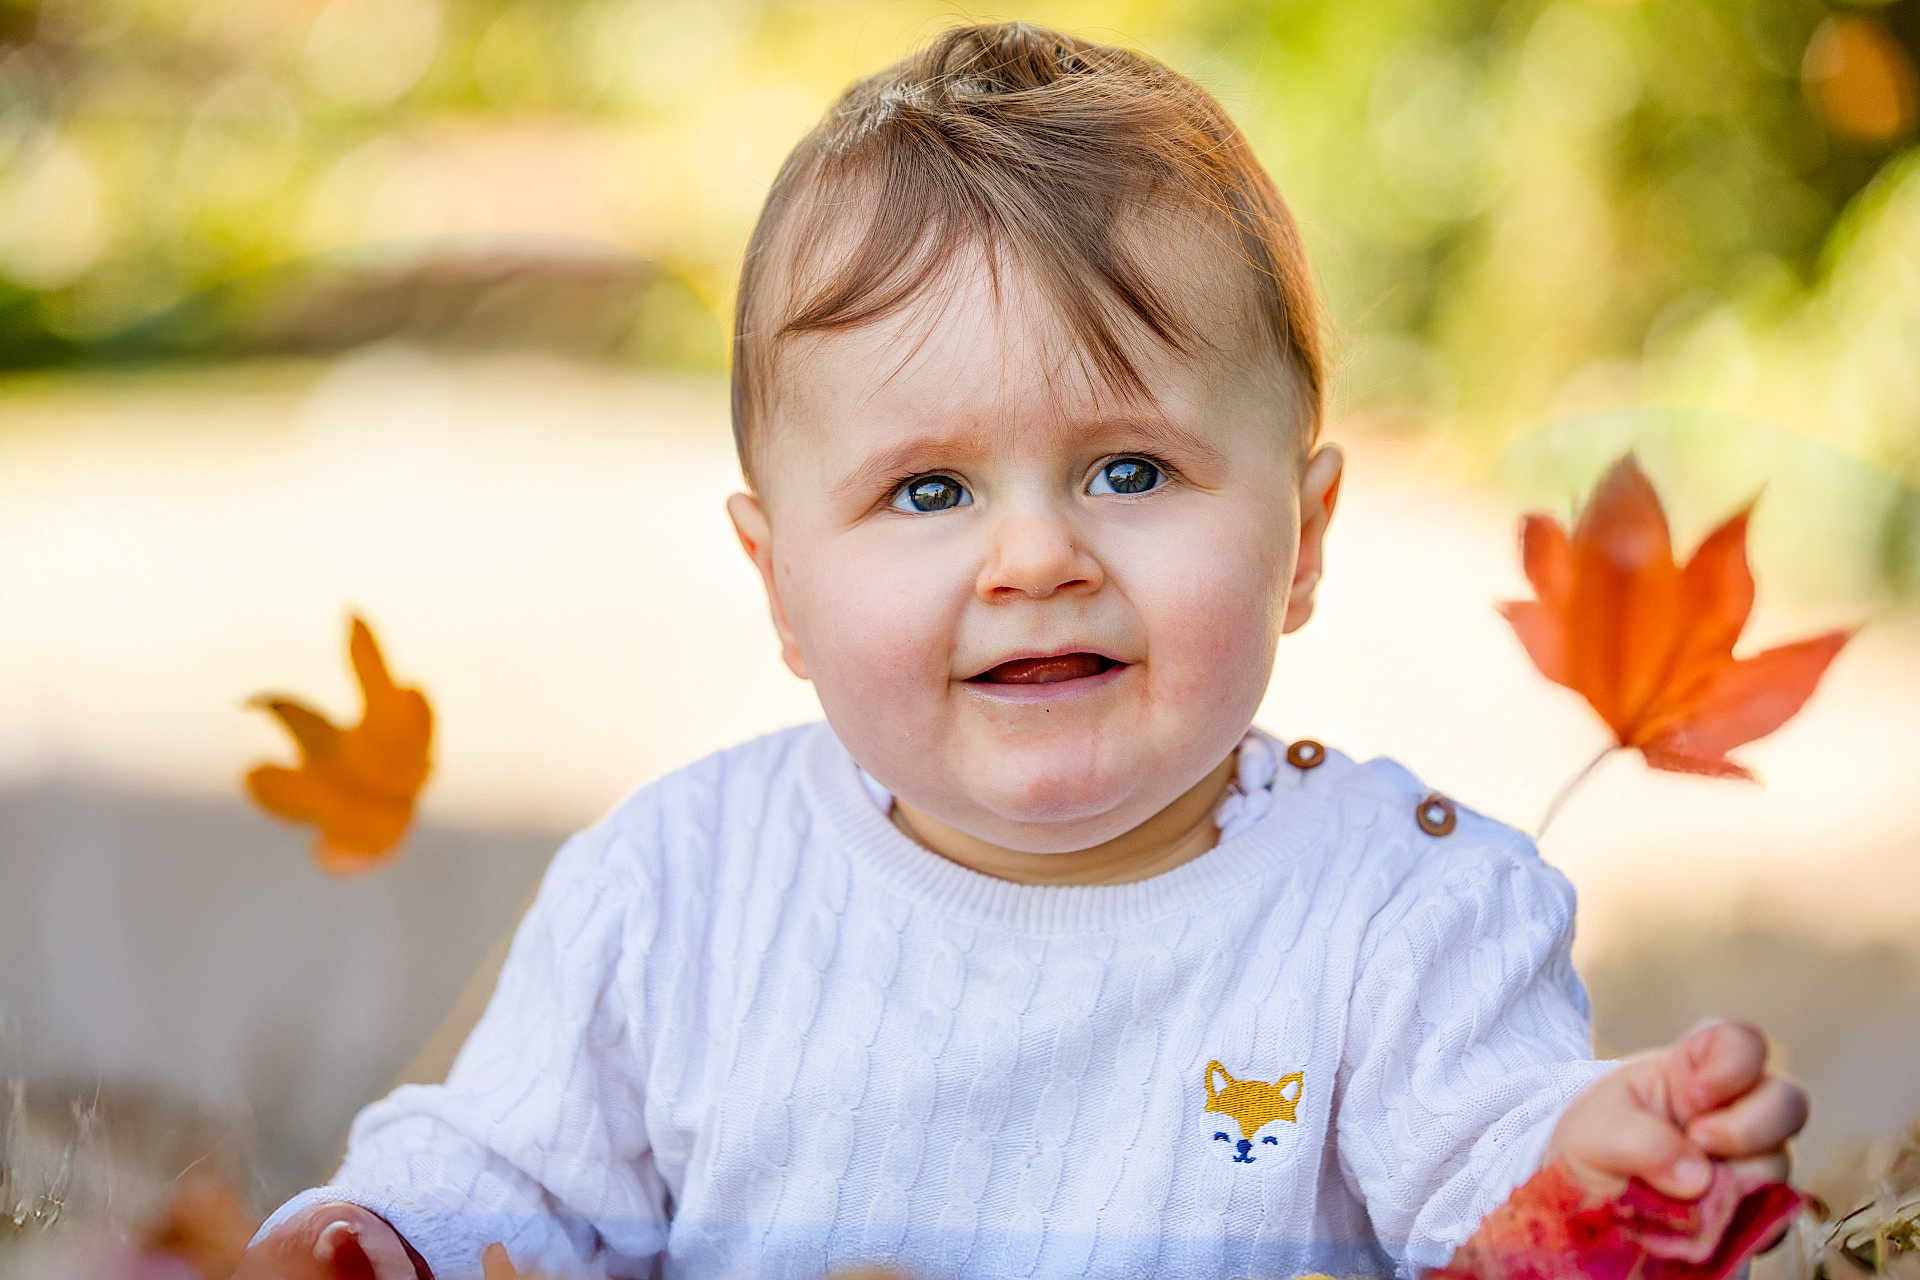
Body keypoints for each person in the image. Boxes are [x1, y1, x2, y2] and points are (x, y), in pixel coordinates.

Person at [234, 21, 1806, 1280]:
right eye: (930, 490)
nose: (1039, 556)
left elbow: (1487, 1170)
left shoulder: (1404, 913)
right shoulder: (679, 895)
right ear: (779, 586)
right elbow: (508, 1179)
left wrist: (1599, 1167)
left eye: (1131, 469)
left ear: (1307, 538)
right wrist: (387, 1239)